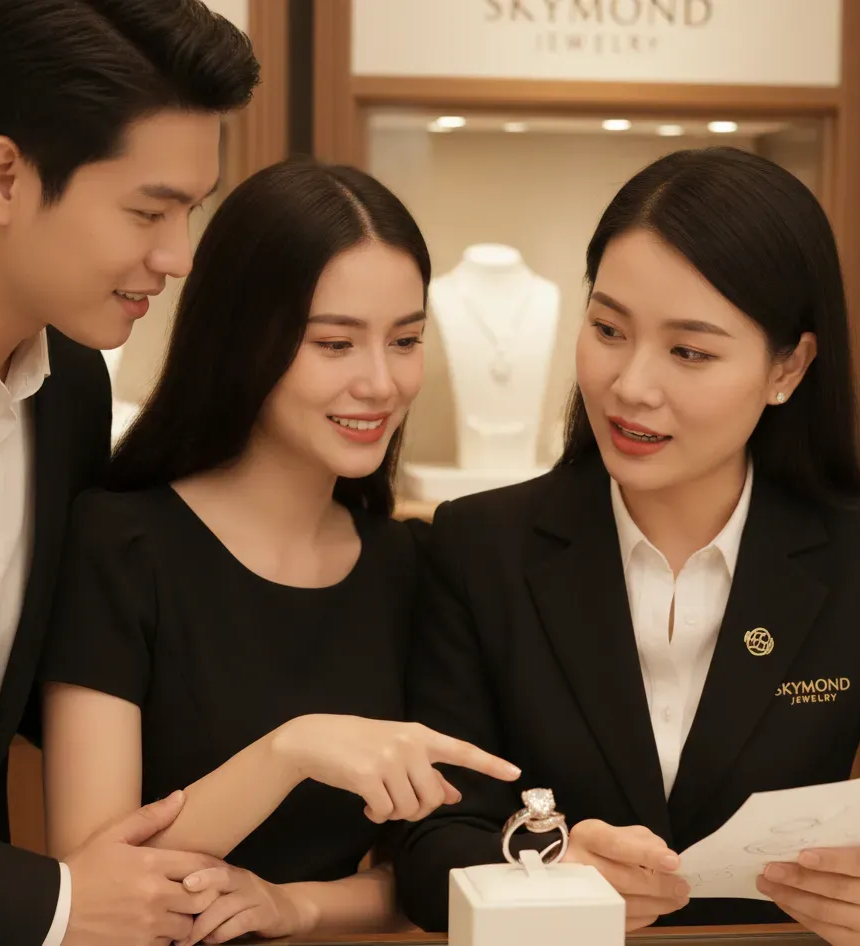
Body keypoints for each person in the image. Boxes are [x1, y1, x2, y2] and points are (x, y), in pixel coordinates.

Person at [395, 147, 860, 946]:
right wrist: (546, 871)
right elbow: (426, 843)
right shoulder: (478, 547)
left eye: (690, 352)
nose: (631, 385)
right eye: (608, 329)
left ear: (788, 367)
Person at [39, 158, 522, 946]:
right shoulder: (119, 543)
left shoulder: (409, 563)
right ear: (243, 340)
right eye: (335, 343)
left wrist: (293, 905)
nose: (381, 383)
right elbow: (93, 884)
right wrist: (290, 751)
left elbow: (426, 876)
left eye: (405, 340)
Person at [0, 1, 259, 943]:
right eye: (147, 211)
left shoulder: (74, 386)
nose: (178, 257)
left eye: (191, 211)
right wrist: (52, 902)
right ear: (4, 178)